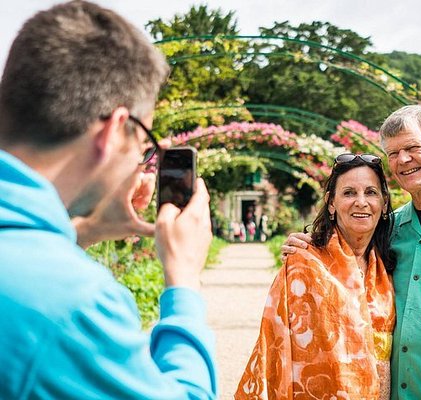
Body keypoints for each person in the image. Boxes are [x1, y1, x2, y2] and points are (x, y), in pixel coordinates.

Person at [0, 1, 217, 399]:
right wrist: (184, 280)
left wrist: (85, 231)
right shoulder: (69, 301)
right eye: (144, 143)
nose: (140, 161)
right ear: (115, 130)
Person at [282, 105, 421, 399]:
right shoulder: (389, 228)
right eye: (393, 153)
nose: (402, 160)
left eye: (412, 147)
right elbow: (344, 260)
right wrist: (306, 246)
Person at [236, 154, 396, 399]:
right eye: (349, 193)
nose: (361, 202)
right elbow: (276, 343)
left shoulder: (391, 261)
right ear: (331, 203)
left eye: (371, 192)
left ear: (384, 203)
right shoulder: (304, 262)